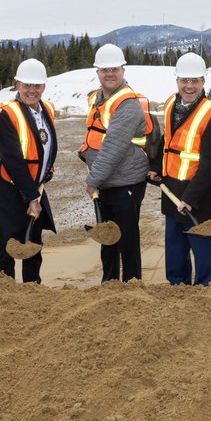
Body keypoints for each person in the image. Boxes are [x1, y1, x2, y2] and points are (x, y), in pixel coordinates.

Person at [151, 52, 211, 286]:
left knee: (200, 241)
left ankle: (205, 286)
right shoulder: (172, 104)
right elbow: (167, 141)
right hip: (171, 186)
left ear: (203, 82)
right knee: (174, 244)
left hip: (197, 192)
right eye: (184, 80)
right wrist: (156, 168)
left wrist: (191, 197)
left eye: (194, 81)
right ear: (177, 81)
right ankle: (177, 285)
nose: (189, 86)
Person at [81, 43, 152, 283]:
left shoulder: (128, 104)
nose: (109, 73)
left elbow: (113, 148)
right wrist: (85, 153)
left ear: (123, 70)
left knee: (127, 239)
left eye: (114, 69)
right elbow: (96, 135)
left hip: (126, 183)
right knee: (107, 237)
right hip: (107, 183)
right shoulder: (97, 98)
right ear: (97, 72)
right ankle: (110, 284)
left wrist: (92, 180)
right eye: (104, 69)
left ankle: (132, 286)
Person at [0, 58, 58, 283]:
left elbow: (45, 146)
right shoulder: (7, 115)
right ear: (17, 85)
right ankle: (5, 292)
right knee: (7, 244)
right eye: (27, 85)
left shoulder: (46, 110)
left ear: (44, 86)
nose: (32, 90)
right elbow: (13, 161)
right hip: (7, 188)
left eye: (37, 86)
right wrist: (32, 198)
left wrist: (47, 170)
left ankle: (32, 290)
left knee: (33, 242)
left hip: (34, 187)